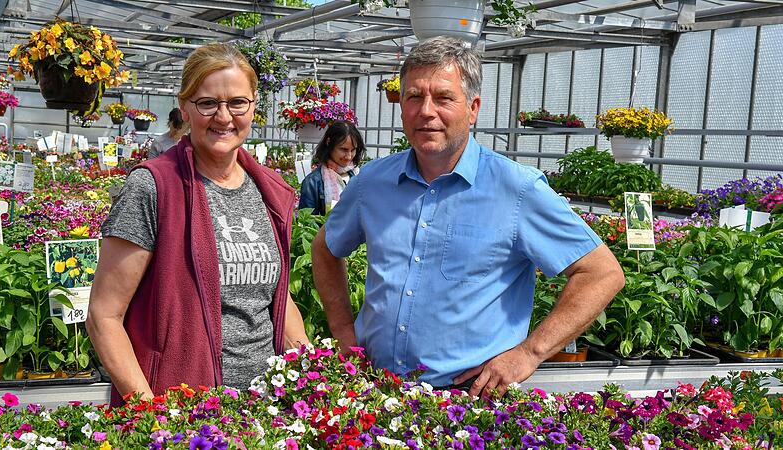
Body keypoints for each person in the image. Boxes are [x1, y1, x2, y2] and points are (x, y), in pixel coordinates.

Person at [311, 36, 624, 398]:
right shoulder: (373, 183)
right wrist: (344, 333)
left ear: (472, 108)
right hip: (375, 392)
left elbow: (602, 272)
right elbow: (325, 248)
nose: (426, 111)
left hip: (466, 404)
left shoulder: (516, 189)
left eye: (443, 98)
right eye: (414, 96)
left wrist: (529, 353)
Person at [87, 42, 309, 405]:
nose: (224, 117)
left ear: (254, 105)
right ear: (185, 107)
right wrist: (151, 414)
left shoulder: (271, 192)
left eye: (237, 102)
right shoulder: (154, 187)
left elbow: (276, 297)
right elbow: (104, 315)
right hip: (182, 411)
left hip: (265, 410)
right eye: (208, 103)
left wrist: (312, 372)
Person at [298, 121, 366, 215]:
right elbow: (307, 224)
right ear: (329, 143)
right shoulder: (313, 183)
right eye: (343, 149)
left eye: (353, 150)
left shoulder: (358, 175)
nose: (349, 156)